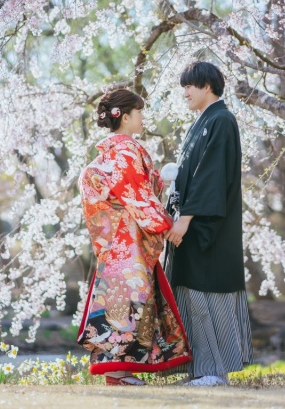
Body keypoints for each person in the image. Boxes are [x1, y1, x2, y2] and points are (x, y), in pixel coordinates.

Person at [77, 89, 191, 386]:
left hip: (117, 241)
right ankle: (118, 372)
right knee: (129, 302)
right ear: (125, 117)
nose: (143, 117)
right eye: (139, 112)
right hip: (127, 241)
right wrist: (166, 225)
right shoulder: (125, 151)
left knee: (121, 301)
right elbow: (136, 194)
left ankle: (120, 372)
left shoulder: (111, 152)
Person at [164, 61, 253, 386]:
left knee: (208, 296)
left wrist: (186, 218)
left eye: (190, 86)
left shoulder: (221, 120)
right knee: (191, 296)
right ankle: (201, 370)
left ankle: (216, 371)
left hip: (208, 227)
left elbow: (211, 176)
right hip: (191, 224)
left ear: (207, 86)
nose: (185, 92)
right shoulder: (202, 122)